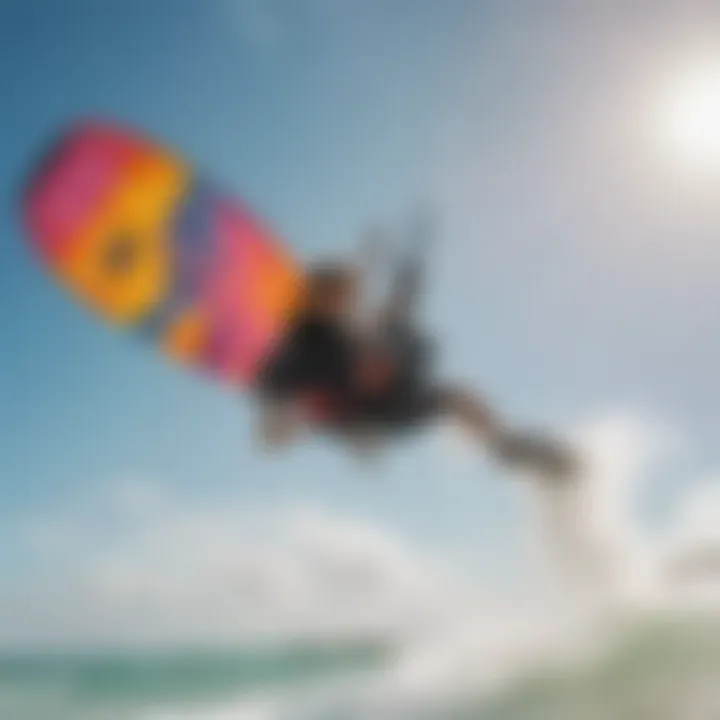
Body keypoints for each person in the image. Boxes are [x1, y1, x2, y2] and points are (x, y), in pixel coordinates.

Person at [254, 234, 578, 479]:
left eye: (348, 294)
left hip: (389, 398)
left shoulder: (351, 327)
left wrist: (401, 287)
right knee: (387, 347)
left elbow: (379, 321)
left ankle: (511, 449)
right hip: (353, 408)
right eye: (339, 295)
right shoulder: (305, 345)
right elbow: (279, 415)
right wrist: (294, 420)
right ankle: (357, 426)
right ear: (318, 299)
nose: (348, 301)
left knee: (453, 395)